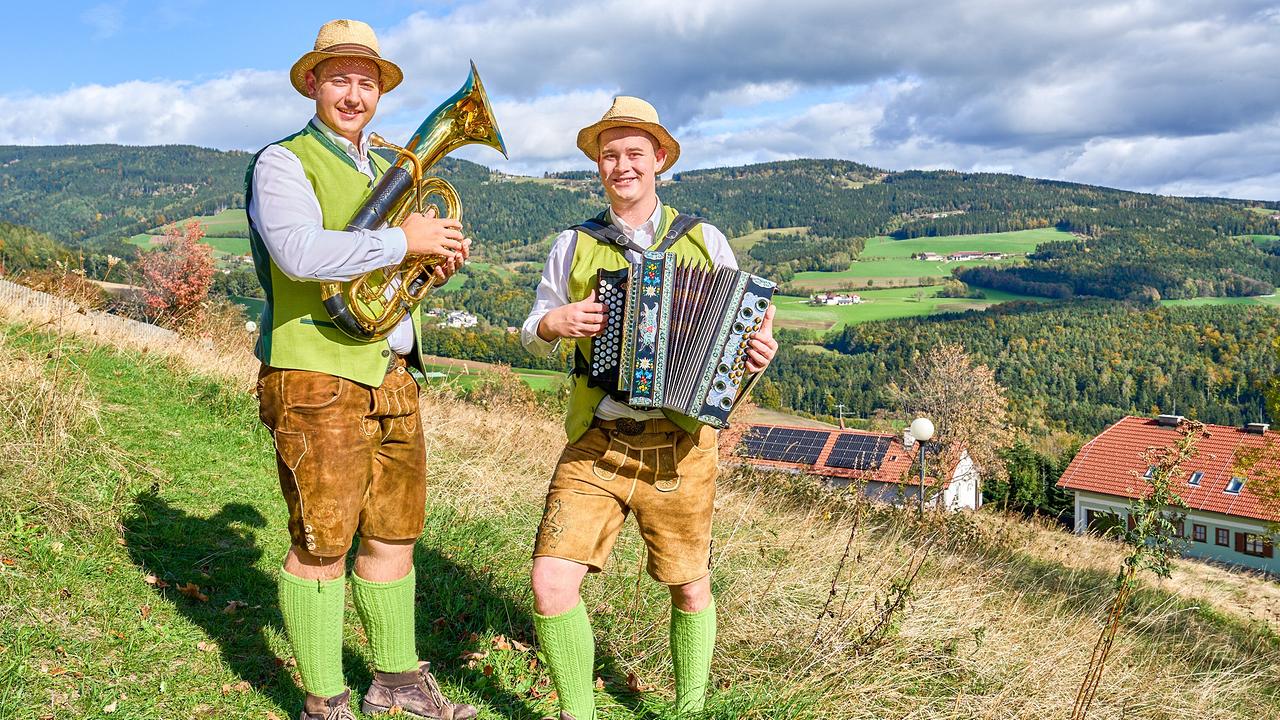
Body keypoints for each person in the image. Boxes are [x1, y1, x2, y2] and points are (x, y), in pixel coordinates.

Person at [521, 96, 779, 719]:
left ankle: (690, 708)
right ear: (598, 167)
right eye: (610, 156)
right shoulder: (573, 245)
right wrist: (554, 322)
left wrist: (757, 352)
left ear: (659, 159)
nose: (622, 165)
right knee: (551, 584)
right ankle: (577, 713)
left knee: (690, 587)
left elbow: (740, 333)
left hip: (683, 445)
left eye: (635, 153)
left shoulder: (704, 239)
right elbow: (532, 327)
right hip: (599, 439)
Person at [248, 19, 476, 720]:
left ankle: (398, 682)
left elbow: (386, 269)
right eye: (340, 77)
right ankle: (326, 698)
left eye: (366, 81)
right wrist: (400, 237)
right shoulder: (282, 162)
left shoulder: (384, 168)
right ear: (312, 83)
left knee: (394, 533)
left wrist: (428, 261)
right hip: (314, 374)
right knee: (322, 542)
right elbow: (300, 254)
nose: (354, 93)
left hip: (392, 372)